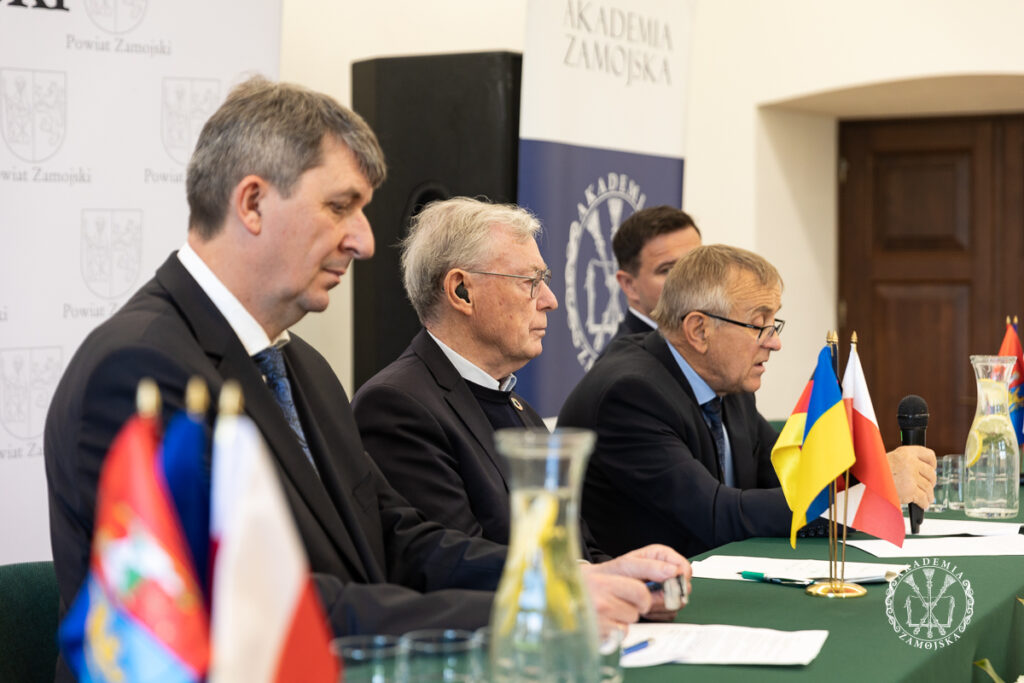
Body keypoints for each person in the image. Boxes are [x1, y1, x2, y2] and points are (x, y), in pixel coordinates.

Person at [43, 78, 680, 679]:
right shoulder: (136, 367)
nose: (365, 241)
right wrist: (523, 614)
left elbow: (397, 537)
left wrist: (557, 581)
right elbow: (247, 607)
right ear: (253, 203)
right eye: (340, 206)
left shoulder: (304, 368)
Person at [352, 197, 691, 620]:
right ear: (461, 291)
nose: (549, 300)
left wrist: (625, 581)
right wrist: (583, 586)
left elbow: (576, 546)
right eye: (531, 281)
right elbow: (451, 565)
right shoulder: (397, 405)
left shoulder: (516, 406)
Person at [558, 244, 937, 558]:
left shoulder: (728, 384)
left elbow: (794, 479)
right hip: (638, 607)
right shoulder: (631, 395)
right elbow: (716, 515)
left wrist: (867, 479)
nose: (775, 342)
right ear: (699, 330)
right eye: (759, 324)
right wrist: (868, 488)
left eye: (774, 323)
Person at [608, 205, 702, 344]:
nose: (691, 279)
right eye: (668, 270)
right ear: (629, 285)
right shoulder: (626, 357)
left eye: (696, 263)